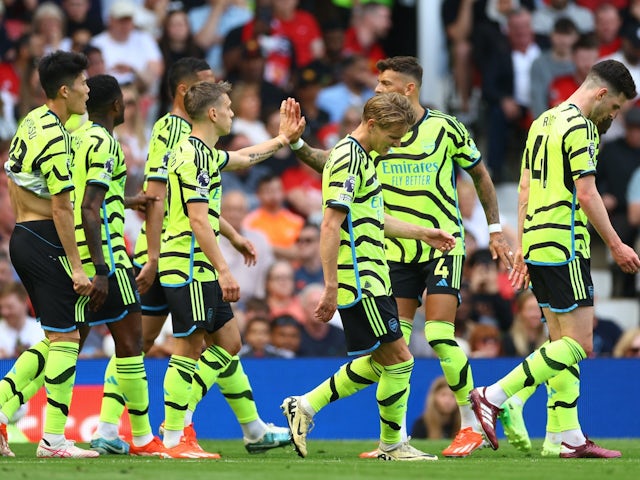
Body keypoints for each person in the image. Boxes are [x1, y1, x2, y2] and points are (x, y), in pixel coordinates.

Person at [286, 55, 513, 458]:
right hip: (379, 263)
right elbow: (333, 193)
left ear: (408, 89)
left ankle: (468, 421)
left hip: (440, 244)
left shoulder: (442, 129)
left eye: (385, 83)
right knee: (395, 356)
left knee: (429, 339)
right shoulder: (361, 151)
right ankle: (378, 436)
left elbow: (479, 175)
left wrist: (490, 229)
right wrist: (298, 144)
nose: (377, 89)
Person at [470, 59, 640, 459]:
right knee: (580, 344)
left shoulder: (543, 121)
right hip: (566, 241)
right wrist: (616, 244)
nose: (613, 115)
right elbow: (586, 194)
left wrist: (526, 248)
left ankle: (562, 437)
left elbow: (525, 189)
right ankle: (494, 395)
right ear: (601, 94)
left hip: (541, 242)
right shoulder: (581, 127)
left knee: (560, 343)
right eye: (615, 107)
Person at [127, 57, 291, 455]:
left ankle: (248, 431)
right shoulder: (192, 156)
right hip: (188, 264)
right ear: (214, 112)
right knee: (188, 346)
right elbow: (199, 222)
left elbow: (240, 158)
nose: (234, 114)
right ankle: (172, 435)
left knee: (229, 343)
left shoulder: (201, 152)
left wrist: (282, 140)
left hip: (189, 262)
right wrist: (224, 270)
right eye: (230, 108)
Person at [280, 92, 456, 461]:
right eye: (393, 138)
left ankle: (305, 406)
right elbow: (330, 225)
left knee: (381, 362)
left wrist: (423, 232)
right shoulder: (347, 158)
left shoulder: (364, 158)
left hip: (375, 277)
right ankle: (392, 445)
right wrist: (332, 286)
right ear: (372, 126)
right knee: (401, 360)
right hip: (359, 279)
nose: (394, 147)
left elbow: (373, 218)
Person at [0, 51, 96, 458]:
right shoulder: (55, 138)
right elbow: (61, 207)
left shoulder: (33, 121)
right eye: (83, 83)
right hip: (44, 237)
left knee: (58, 337)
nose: (88, 91)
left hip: (25, 235)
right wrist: (77, 265)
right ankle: (54, 440)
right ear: (64, 89)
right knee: (66, 339)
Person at [71, 74, 168, 457]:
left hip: (70, 252)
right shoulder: (107, 142)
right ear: (115, 106)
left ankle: (5, 409)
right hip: (107, 257)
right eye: (124, 102)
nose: (126, 107)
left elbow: (88, 193)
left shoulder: (75, 137)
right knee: (132, 343)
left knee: (63, 344)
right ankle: (142, 438)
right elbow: (90, 207)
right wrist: (101, 269)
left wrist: (128, 201)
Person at [0, 282, 44, 359]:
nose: (4, 312)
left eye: (10, 307)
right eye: (1, 307)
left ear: (24, 303)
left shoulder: (42, 329)